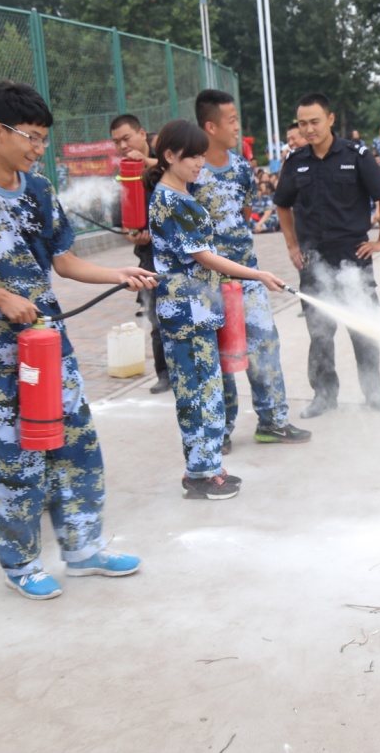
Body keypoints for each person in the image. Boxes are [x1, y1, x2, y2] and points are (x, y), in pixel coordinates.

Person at [0, 80, 156, 600]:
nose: (37, 148)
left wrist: (117, 274)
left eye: (44, 139)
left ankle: (84, 549)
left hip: (48, 344)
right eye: (31, 137)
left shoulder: (39, 189)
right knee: (11, 460)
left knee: (76, 446)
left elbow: (64, 262)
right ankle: (21, 562)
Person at [145, 120, 288, 500]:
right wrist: (257, 273)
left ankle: (209, 466)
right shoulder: (174, 201)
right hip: (186, 313)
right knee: (197, 394)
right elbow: (205, 258)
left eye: (201, 156)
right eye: (192, 156)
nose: (199, 164)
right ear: (170, 156)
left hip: (197, 311)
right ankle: (201, 474)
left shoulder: (178, 196)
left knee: (206, 390)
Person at [193, 89, 309, 449]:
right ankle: (220, 431)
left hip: (249, 276)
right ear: (210, 126)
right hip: (208, 281)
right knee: (218, 357)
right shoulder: (192, 170)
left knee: (265, 346)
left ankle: (272, 421)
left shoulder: (242, 167)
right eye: (231, 120)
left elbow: (245, 214)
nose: (237, 127)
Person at [273, 93, 380, 418]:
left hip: (353, 257)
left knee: (364, 329)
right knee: (320, 332)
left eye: (315, 121)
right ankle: (324, 395)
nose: (309, 129)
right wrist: (291, 245)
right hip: (313, 262)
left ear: (329, 120)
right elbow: (282, 203)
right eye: (302, 123)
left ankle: (375, 392)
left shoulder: (356, 155)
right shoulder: (296, 160)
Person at [110, 114, 170, 394]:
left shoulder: (164, 157)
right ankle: (164, 374)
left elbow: (182, 168)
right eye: (116, 141)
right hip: (148, 258)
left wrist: (144, 163)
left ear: (142, 134)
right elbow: (123, 224)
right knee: (157, 319)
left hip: (178, 252)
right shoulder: (123, 173)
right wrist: (133, 234)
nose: (122, 145)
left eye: (126, 138)